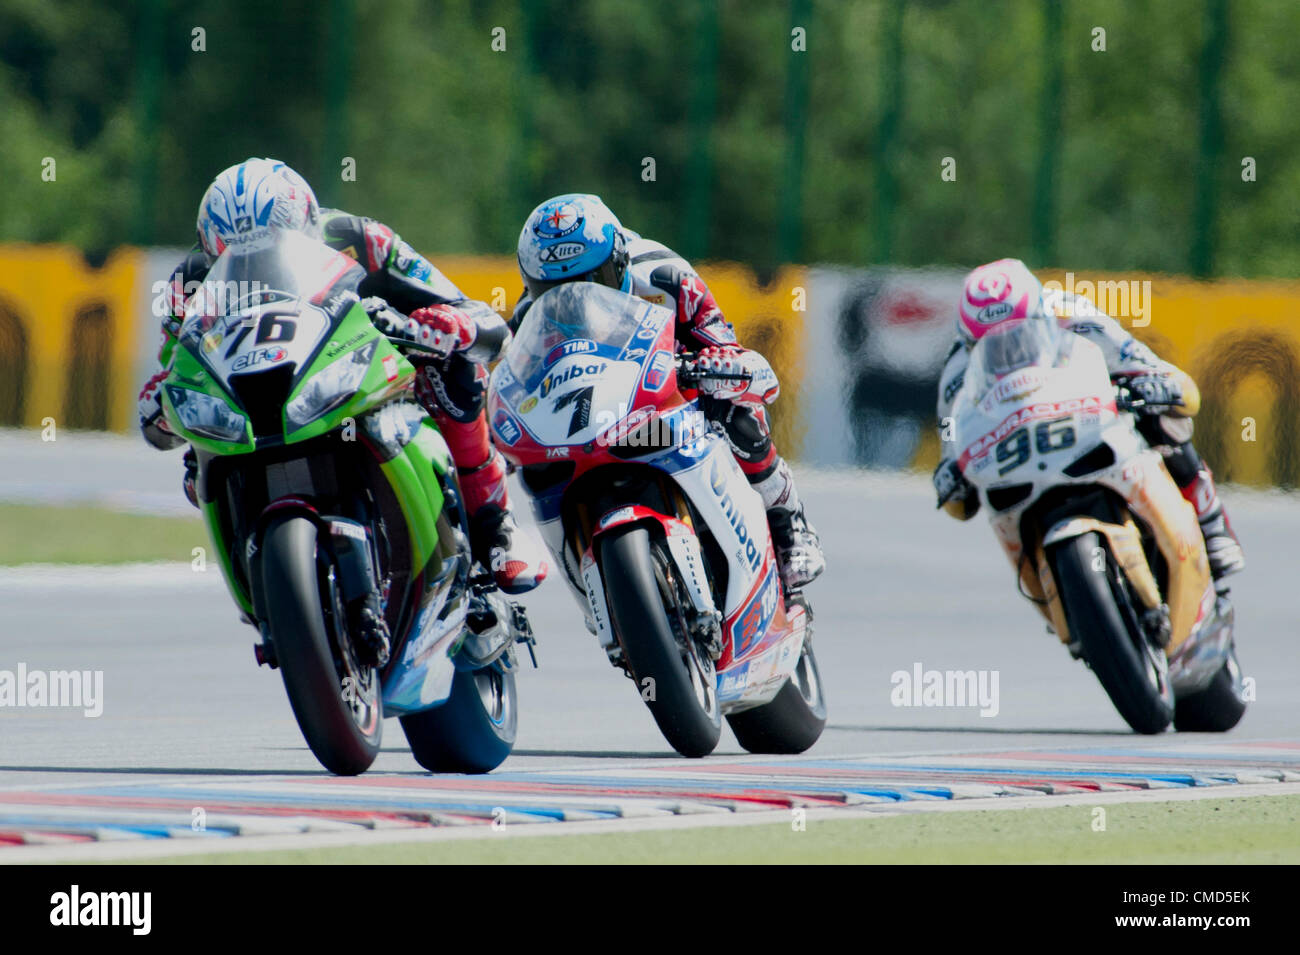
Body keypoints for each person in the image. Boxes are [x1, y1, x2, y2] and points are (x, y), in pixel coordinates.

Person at [137, 158, 547, 596]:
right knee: (194, 467)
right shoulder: (190, 282)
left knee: (454, 371)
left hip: (350, 365)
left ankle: (493, 521)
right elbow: (174, 365)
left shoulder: (359, 238)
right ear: (211, 248)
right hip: (253, 405)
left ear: (306, 222)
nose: (253, 264)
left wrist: (447, 324)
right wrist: (159, 400)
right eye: (236, 254)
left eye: (266, 248)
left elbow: (472, 314)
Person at [511, 193, 824, 589]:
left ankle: (789, 522)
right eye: (553, 290)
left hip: (668, 405)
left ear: (619, 261)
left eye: (592, 282)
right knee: (535, 468)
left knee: (733, 407)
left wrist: (718, 365)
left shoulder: (665, 277)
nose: (576, 300)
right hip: (591, 423)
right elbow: (516, 384)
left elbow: (723, 345)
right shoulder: (528, 318)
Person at [932, 258, 1245, 582]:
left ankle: (1211, 525)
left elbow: (1164, 377)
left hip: (1086, 419)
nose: (1007, 352)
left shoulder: (1075, 315)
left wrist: (1156, 384)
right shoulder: (957, 371)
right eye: (990, 346)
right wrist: (948, 472)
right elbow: (951, 437)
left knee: (1165, 419)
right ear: (969, 343)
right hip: (1023, 454)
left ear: (1043, 316)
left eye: (1019, 336)